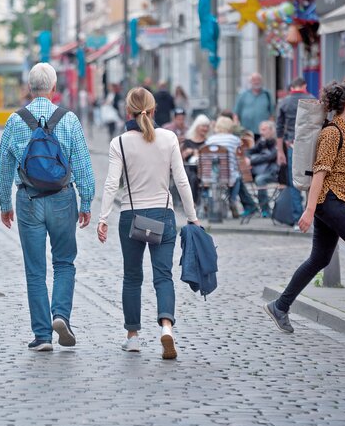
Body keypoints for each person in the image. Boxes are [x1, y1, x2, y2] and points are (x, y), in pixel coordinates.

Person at [264, 79, 345, 333]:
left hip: (340, 199)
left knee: (319, 258)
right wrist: (310, 210)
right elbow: (321, 173)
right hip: (333, 200)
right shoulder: (331, 133)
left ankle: (280, 306)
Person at [0, 62, 95, 352]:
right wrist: (86, 201)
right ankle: (60, 314)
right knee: (64, 262)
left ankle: (42, 336)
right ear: (53, 89)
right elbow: (84, 165)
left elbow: (3, 167)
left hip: (27, 200)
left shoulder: (15, 121)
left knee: (35, 269)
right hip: (63, 198)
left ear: (29, 88)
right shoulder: (69, 119)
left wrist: (4, 204)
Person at [96, 87, 199, 359]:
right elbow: (181, 180)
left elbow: (110, 184)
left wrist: (103, 217)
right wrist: (192, 216)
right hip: (162, 216)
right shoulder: (169, 138)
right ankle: (166, 328)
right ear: (154, 111)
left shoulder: (118, 143)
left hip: (131, 217)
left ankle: (133, 337)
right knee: (163, 276)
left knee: (132, 277)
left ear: (127, 112)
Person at [205, 116, 258, 217]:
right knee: (237, 177)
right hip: (229, 175)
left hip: (211, 175)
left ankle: (208, 200)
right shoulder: (234, 139)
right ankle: (232, 200)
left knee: (235, 177)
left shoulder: (210, 140)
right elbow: (239, 156)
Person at [276, 77, 311, 227]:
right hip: (310, 146)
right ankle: (312, 217)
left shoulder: (284, 102)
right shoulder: (312, 99)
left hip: (292, 145)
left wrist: (280, 151)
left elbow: (279, 128)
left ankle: (298, 219)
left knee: (294, 182)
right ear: (304, 85)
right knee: (313, 181)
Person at [248, 121, 279, 217]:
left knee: (260, 179)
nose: (261, 132)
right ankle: (250, 207)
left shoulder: (277, 142)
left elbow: (271, 157)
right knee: (239, 178)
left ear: (271, 130)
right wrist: (246, 158)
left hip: (274, 173)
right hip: (261, 172)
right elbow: (249, 151)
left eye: (264, 130)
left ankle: (265, 210)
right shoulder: (262, 142)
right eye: (260, 130)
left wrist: (252, 161)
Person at [183, 114, 211, 207]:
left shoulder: (208, 141)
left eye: (207, 126)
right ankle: (193, 203)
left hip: (205, 170)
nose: (205, 129)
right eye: (203, 126)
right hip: (191, 169)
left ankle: (202, 201)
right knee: (193, 177)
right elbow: (182, 157)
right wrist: (187, 153)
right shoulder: (188, 141)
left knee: (199, 177)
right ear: (197, 127)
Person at [234, 72, 273, 138]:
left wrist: (271, 129)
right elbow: (236, 113)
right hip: (246, 131)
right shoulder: (243, 94)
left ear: (261, 81)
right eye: (254, 80)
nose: (256, 82)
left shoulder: (267, 94)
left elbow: (271, 114)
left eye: (258, 80)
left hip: (263, 132)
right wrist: (236, 128)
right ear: (250, 82)